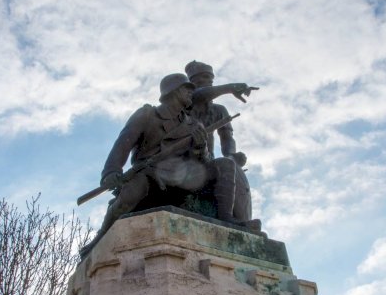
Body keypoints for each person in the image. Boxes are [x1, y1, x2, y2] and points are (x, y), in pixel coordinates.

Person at [80, 73, 241, 257]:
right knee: (130, 193)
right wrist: (111, 172)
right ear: (173, 91)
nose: (191, 93)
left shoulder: (193, 125)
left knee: (225, 165)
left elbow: (202, 163)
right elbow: (122, 144)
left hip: (181, 179)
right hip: (150, 174)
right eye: (186, 89)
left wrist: (200, 147)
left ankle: (227, 218)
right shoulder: (148, 115)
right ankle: (101, 237)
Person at [184, 60, 260, 228]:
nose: (206, 82)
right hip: (184, 163)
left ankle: (240, 219)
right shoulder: (186, 105)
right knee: (225, 165)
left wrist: (231, 154)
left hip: (206, 161)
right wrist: (230, 87)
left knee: (230, 165)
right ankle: (226, 217)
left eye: (209, 79)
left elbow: (227, 137)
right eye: (200, 80)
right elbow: (200, 95)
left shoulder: (219, 110)